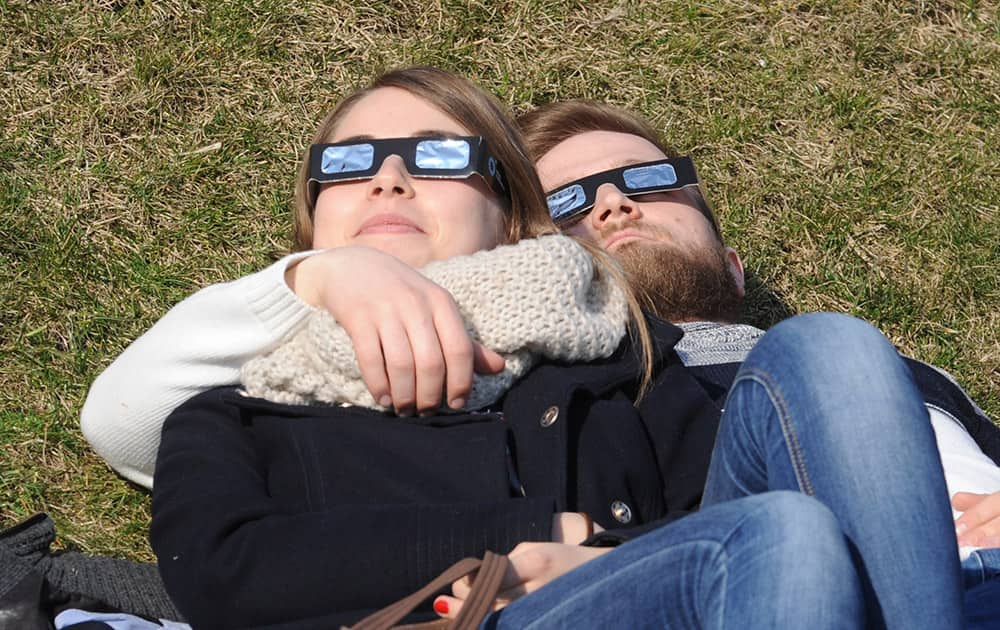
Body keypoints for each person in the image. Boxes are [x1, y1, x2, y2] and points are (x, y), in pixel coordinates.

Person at [79, 81, 978, 627]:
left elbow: (739, 515)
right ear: (312, 215)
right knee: (775, 535)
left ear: (509, 216)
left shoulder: (623, 373)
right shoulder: (241, 405)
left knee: (819, 370)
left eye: (436, 156)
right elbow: (226, 570)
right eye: (349, 164)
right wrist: (530, 540)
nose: (388, 177)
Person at [512, 98, 1000, 628]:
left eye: (649, 180)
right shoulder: (562, 401)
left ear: (733, 267)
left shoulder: (904, 373)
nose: (613, 202)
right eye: (565, 203)